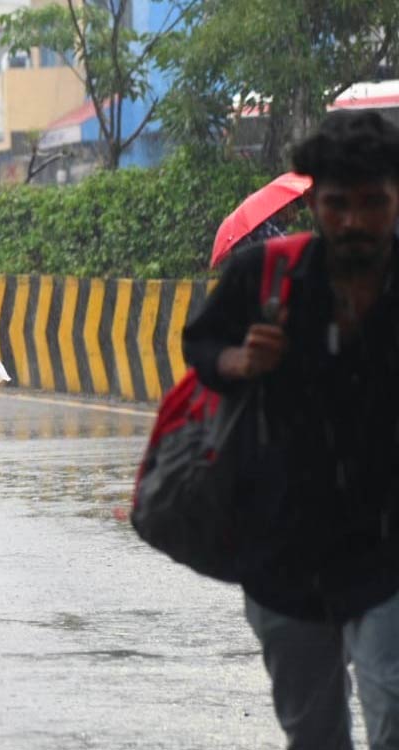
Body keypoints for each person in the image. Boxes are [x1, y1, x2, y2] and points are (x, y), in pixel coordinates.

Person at [182, 109, 399, 750]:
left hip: (389, 550)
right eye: (337, 203)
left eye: (372, 202)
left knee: (391, 704)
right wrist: (238, 361)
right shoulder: (265, 275)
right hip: (283, 551)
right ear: (315, 201)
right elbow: (201, 346)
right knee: (313, 731)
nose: (354, 221)